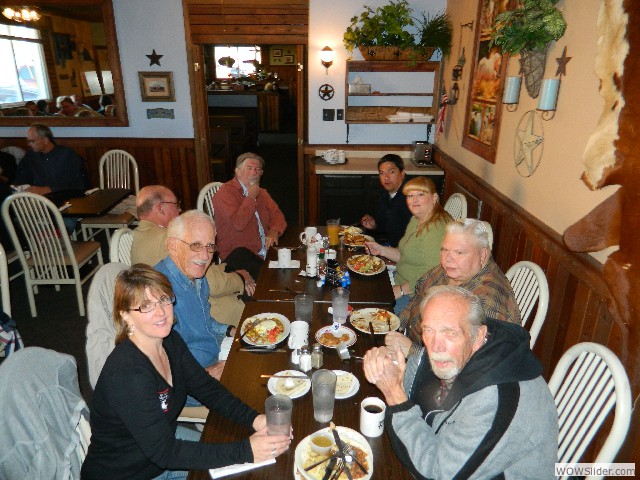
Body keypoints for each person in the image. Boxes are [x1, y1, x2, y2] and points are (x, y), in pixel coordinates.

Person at [81, 264, 291, 480]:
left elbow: (208, 389)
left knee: (259, 465)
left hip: (158, 452)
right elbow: (166, 453)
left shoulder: (169, 341)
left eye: (163, 299)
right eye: (145, 306)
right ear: (126, 316)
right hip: (128, 473)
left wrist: (255, 419)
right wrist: (247, 450)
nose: (161, 312)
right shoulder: (127, 374)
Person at [363, 286, 558, 479]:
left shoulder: (498, 399)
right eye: (428, 330)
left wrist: (394, 394)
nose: (435, 346)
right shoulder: (455, 348)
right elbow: (412, 382)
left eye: (450, 333)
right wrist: (390, 366)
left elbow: (438, 472)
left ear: (479, 335)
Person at [389, 218, 521, 357]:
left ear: (482, 255)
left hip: (431, 366)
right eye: (444, 250)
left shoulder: (486, 300)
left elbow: (464, 366)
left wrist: (411, 350)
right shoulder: (455, 269)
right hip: (411, 343)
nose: (448, 258)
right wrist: (396, 326)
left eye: (459, 252)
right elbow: (419, 296)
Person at [131, 185, 254, 326]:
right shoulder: (169, 239)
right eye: (176, 205)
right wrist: (240, 279)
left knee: (241, 254)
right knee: (257, 285)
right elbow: (212, 284)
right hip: (209, 311)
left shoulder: (140, 235)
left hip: (199, 287)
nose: (180, 209)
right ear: (160, 208)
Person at [154, 210, 233, 387]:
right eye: (196, 245)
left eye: (210, 246)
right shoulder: (157, 294)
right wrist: (207, 374)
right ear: (172, 246)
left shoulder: (197, 277)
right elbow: (157, 365)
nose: (205, 257)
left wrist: (230, 330)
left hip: (215, 356)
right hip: (193, 382)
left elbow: (205, 322)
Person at [365, 177, 453, 314]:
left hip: (417, 294)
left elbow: (434, 274)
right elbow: (404, 255)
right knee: (366, 291)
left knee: (374, 315)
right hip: (399, 278)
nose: (414, 200)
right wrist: (381, 249)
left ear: (434, 197)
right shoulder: (417, 218)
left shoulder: (437, 228)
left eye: (420, 194)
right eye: (410, 195)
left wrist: (401, 290)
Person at [212, 152, 287, 279]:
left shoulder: (262, 193)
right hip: (237, 256)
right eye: (249, 168)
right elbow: (238, 223)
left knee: (293, 266)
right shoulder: (225, 193)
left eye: (258, 169)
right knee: (275, 279)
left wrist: (274, 231)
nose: (254, 172)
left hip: (264, 251)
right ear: (238, 171)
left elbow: (278, 215)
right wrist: (251, 197)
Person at [14, 123, 89, 196]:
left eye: (32, 141)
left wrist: (49, 189)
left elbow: (77, 183)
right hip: (38, 198)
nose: (29, 144)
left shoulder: (67, 154)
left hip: (65, 197)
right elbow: (21, 176)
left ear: (45, 140)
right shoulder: (31, 155)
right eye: (29, 141)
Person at [360, 154, 412, 247]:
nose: (386, 177)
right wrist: (374, 225)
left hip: (406, 251)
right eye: (382, 173)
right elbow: (388, 226)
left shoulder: (411, 197)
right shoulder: (385, 194)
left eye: (391, 172)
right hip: (391, 246)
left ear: (402, 173)